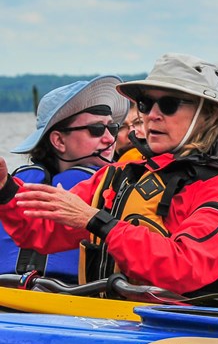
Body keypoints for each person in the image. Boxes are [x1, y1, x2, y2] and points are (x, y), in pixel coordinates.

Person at [0, 54, 218, 297]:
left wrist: (99, 223)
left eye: (169, 105)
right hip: (108, 323)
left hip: (186, 331)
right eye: (146, 105)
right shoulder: (117, 177)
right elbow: (39, 229)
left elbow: (183, 267)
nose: (152, 116)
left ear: (207, 115)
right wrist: (5, 188)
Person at [0, 76, 128, 283]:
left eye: (112, 128)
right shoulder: (10, 184)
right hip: (8, 292)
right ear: (58, 140)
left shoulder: (123, 186)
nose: (109, 138)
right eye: (96, 129)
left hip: (77, 295)